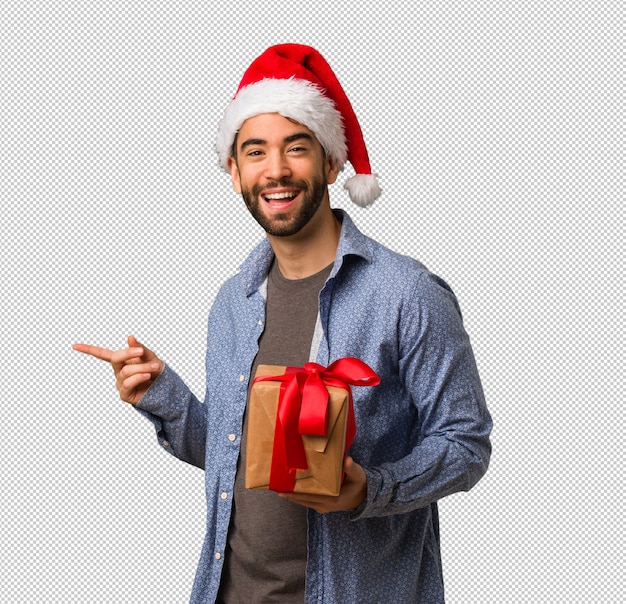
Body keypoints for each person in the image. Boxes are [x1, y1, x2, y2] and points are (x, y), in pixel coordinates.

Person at [74, 43, 492, 603]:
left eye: (296, 148)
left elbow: (466, 445)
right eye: (255, 152)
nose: (276, 170)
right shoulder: (233, 301)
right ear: (233, 170)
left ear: (331, 162)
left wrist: (372, 488)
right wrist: (164, 395)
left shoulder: (406, 292)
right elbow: (235, 457)